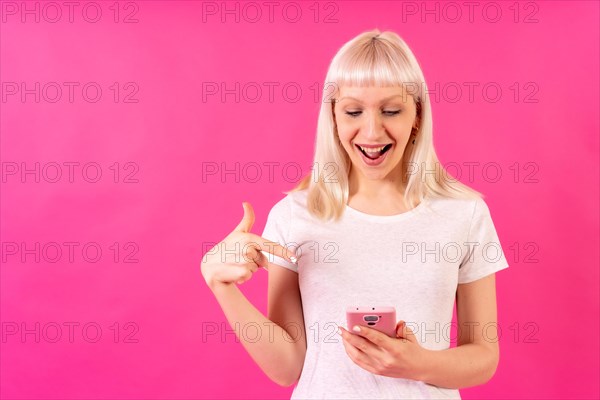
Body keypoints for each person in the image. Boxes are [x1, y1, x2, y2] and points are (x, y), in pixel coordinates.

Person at [201, 29, 509, 399]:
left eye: (391, 110)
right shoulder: (294, 217)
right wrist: (222, 288)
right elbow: (287, 369)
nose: (372, 131)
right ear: (333, 115)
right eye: (353, 111)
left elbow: (484, 357)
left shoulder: (464, 213)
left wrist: (415, 364)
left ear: (417, 115)